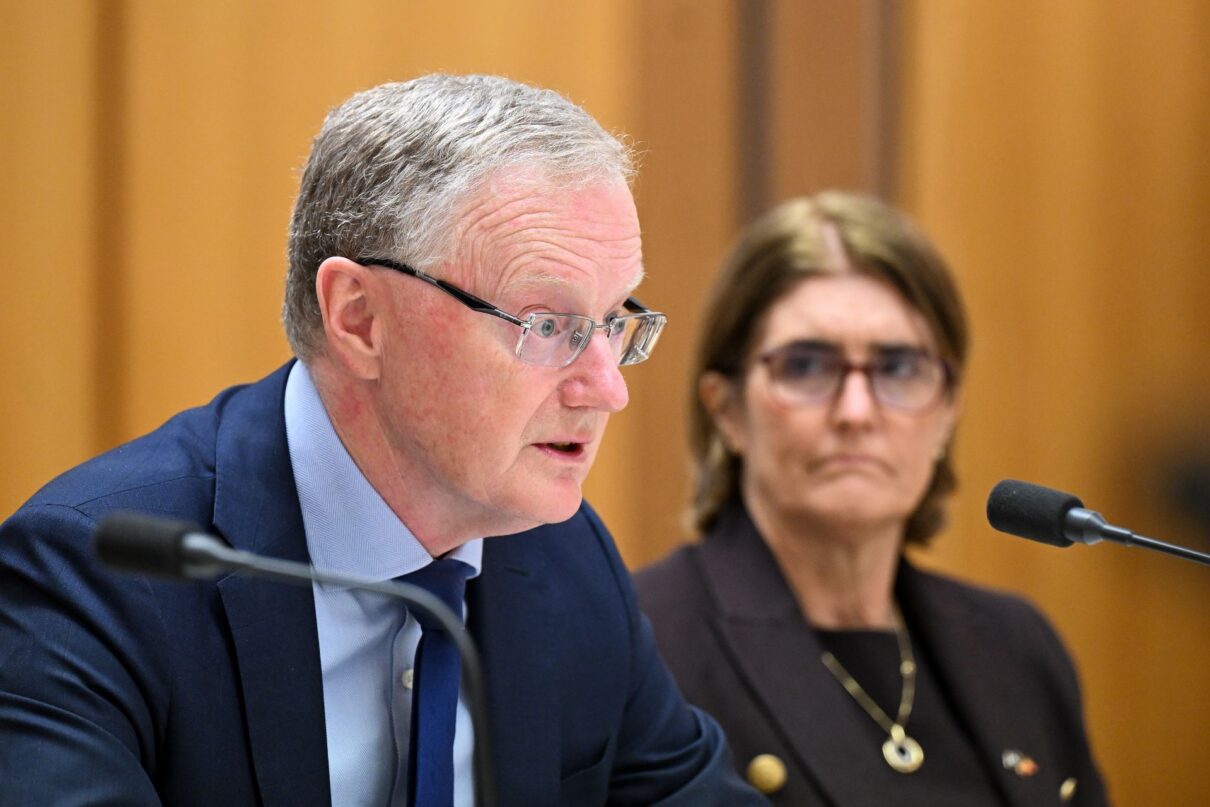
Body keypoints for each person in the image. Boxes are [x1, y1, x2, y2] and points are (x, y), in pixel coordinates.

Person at [0, 75, 767, 806]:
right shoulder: (95, 577)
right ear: (360, 318)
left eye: (613, 323)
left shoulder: (561, 557)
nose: (608, 388)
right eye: (547, 326)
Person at [634, 192, 1109, 806]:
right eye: (805, 366)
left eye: (899, 368)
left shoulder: (1016, 647)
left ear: (946, 411)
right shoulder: (645, 643)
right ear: (727, 410)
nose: (857, 412)